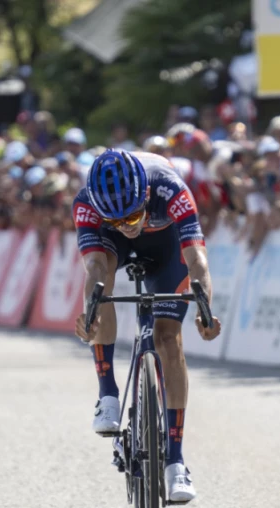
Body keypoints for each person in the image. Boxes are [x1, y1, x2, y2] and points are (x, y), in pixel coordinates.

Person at [72, 148, 222, 503]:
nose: (129, 225)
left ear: (146, 196)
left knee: (168, 338)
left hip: (166, 246)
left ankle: (175, 462)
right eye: (117, 220)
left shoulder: (170, 188)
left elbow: (197, 259)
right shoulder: (87, 203)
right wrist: (90, 311)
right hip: (113, 252)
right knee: (102, 281)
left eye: (135, 215)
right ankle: (107, 394)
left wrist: (205, 308)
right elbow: (92, 267)